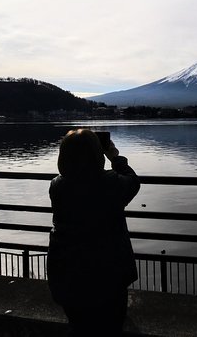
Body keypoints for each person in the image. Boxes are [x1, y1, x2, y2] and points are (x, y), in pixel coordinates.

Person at [47, 128, 140, 337]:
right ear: (97, 154)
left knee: (79, 326)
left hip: (68, 274)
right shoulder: (110, 184)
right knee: (111, 327)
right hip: (108, 276)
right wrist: (115, 157)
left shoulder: (57, 186)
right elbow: (133, 182)